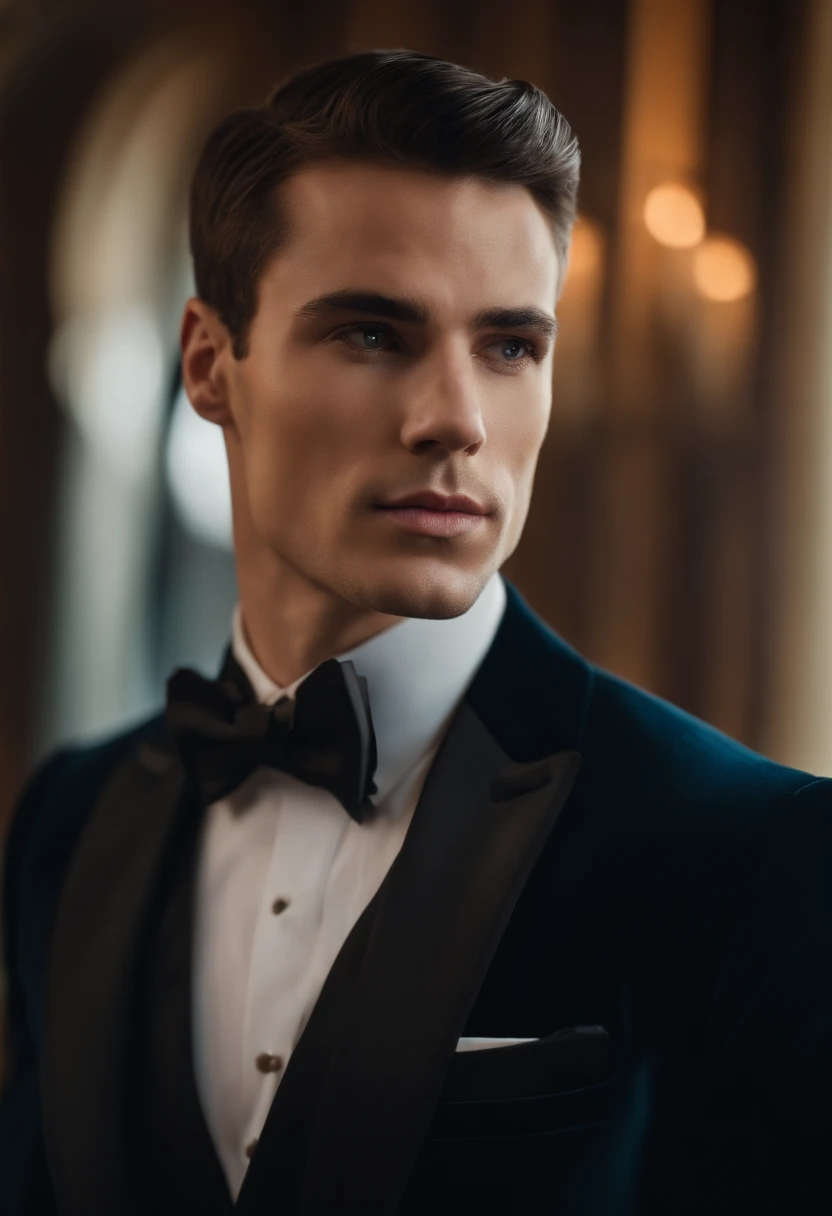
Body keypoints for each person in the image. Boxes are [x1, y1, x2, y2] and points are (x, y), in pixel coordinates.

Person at [1, 47, 830, 1216]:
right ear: (208, 361)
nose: (455, 419)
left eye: (510, 346)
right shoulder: (68, 825)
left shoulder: (750, 851)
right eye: (373, 334)